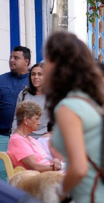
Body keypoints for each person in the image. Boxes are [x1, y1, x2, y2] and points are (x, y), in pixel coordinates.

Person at [45, 31, 104, 203]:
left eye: (47, 60)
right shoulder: (90, 101)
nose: (43, 66)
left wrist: (60, 193)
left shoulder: (69, 107)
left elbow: (78, 168)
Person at [0, 46, 31, 179]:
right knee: (2, 173)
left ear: (26, 62)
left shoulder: (34, 81)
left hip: (26, 138)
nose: (11, 60)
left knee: (23, 175)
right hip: (2, 136)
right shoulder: (1, 80)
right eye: (11, 57)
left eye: (16, 58)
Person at [7, 101, 61, 172]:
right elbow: (35, 167)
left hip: (47, 176)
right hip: (35, 179)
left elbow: (45, 160)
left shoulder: (32, 139)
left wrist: (55, 160)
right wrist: (61, 167)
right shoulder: (16, 140)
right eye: (37, 119)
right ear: (26, 120)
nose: (39, 123)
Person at [12, 62, 48, 138]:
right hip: (24, 138)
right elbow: (16, 118)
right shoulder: (23, 94)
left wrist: (49, 136)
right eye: (33, 74)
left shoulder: (52, 96)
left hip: (44, 140)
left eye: (40, 74)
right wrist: (15, 135)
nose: (36, 77)